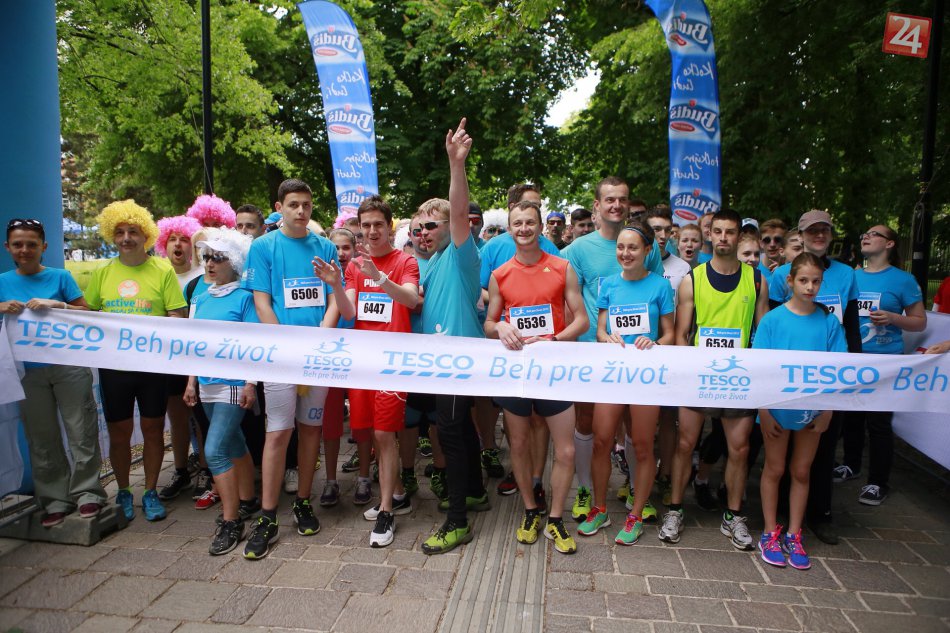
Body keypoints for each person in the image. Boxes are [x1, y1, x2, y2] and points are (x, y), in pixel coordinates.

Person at [241, 178, 352, 559]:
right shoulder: (263, 247)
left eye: (306, 204)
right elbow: (262, 302)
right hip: (281, 358)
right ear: (279, 207)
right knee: (277, 433)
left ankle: (303, 501)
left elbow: (334, 299)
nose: (301, 211)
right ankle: (268, 515)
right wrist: (287, 347)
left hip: (317, 357)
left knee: (311, 431)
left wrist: (321, 338)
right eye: (293, 204)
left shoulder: (324, 247)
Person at [662, 208, 770, 549]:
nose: (723, 237)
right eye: (718, 231)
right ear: (710, 235)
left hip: (739, 377)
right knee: (685, 445)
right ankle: (675, 509)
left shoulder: (756, 280)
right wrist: (687, 374)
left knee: (739, 448)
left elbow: (764, 332)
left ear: (740, 236)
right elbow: (681, 334)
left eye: (730, 232)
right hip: (699, 376)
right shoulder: (692, 279)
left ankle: (733, 516)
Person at [485, 199, 588, 555]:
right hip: (516, 372)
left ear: (541, 227)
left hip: (554, 370)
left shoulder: (561, 267)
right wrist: (500, 327)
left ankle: (556, 519)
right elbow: (489, 323)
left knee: (566, 449)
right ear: (509, 229)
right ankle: (530, 510)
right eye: (518, 223)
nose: (524, 229)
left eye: (530, 222)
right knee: (518, 444)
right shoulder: (500, 275)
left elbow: (582, 320)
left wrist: (554, 340)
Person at [321, 194, 420, 547]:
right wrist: (336, 284)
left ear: (389, 227)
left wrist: (381, 279)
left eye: (379, 224)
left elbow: (411, 299)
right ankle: (397, 494)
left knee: (383, 433)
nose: (373, 231)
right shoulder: (354, 266)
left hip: (394, 362)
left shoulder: (406, 261)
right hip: (363, 363)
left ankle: (386, 511)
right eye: (366, 225)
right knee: (373, 434)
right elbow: (349, 312)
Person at [563, 177, 663, 524]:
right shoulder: (578, 249)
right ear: (597, 205)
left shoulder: (649, 249)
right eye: (609, 199)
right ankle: (586, 491)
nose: (617, 205)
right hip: (593, 351)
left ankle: (635, 489)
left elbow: (655, 295)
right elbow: (568, 298)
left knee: (636, 430)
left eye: (622, 199)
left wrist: (657, 341)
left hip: (638, 356)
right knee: (588, 424)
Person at [84, 200, 188, 522]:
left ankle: (151, 491)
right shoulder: (103, 273)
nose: (126, 238)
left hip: (152, 367)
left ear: (145, 235)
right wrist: (52, 308)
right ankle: (124, 490)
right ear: (111, 236)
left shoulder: (162, 270)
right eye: (119, 232)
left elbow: (178, 314)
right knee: (119, 432)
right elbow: (87, 315)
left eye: (133, 231)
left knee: (153, 429)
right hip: (114, 368)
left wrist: (158, 327)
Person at [0, 218, 108, 527]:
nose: (24, 250)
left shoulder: (61, 277)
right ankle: (55, 499)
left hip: (68, 366)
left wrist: (58, 305)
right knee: (41, 437)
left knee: (81, 431)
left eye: (31, 244)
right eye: (18, 244)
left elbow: (87, 313)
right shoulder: (3, 282)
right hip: (26, 373)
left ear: (43, 247)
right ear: (8, 247)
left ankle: (88, 493)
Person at [418, 118, 491, 554]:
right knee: (459, 429)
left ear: (451, 226)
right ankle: (476, 492)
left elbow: (460, 211)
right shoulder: (429, 263)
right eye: (419, 228)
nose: (424, 233)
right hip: (439, 362)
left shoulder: (463, 254)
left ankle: (458, 522)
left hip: (458, 362)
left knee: (449, 433)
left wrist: (456, 164)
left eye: (432, 225)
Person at [769, 209, 860, 545]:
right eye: (812, 231)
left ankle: (820, 514)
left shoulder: (847, 274)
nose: (819, 235)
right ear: (802, 234)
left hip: (827, 377)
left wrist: (851, 374)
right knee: (781, 454)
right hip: (787, 382)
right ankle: (780, 514)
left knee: (822, 448)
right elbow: (775, 323)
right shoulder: (782, 275)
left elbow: (851, 327)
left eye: (825, 230)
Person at [579, 222, 674, 545]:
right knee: (601, 440)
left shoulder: (660, 286)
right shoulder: (608, 284)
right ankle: (599, 509)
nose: (625, 253)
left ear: (647, 250)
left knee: (643, 445)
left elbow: (671, 334)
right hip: (613, 374)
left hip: (646, 377)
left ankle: (636, 515)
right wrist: (607, 337)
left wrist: (654, 342)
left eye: (633, 247)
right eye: (621, 247)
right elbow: (600, 330)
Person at [753, 252, 845, 570]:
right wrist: (764, 411)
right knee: (774, 468)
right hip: (776, 410)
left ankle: (794, 533)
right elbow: (760, 370)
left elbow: (839, 369)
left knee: (802, 471)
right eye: (803, 280)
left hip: (812, 412)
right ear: (790, 281)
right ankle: (769, 532)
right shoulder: (772, 320)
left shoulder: (829, 322)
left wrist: (827, 410)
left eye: (816, 281)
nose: (810, 287)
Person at [183, 228, 261, 555]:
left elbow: (256, 344)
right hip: (206, 383)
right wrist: (191, 382)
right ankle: (248, 500)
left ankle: (232, 521)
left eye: (218, 257)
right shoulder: (200, 298)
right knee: (234, 442)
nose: (210, 263)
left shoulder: (245, 297)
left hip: (232, 383)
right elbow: (193, 344)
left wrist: (250, 383)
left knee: (214, 450)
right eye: (207, 257)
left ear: (236, 262)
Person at [837, 226, 926, 506]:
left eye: (874, 234)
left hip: (885, 361)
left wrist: (893, 318)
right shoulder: (851, 275)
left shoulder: (903, 280)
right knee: (851, 417)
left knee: (878, 423)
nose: (866, 236)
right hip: (852, 357)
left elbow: (919, 322)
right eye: (864, 233)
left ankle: (877, 482)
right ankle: (851, 465)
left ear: (889, 244)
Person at [154, 215, 204, 502]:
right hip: (170, 358)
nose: (178, 244)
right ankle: (181, 470)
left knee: (201, 417)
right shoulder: (160, 274)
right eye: (172, 239)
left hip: (197, 357)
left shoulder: (203, 276)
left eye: (184, 239)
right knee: (177, 418)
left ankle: (206, 470)